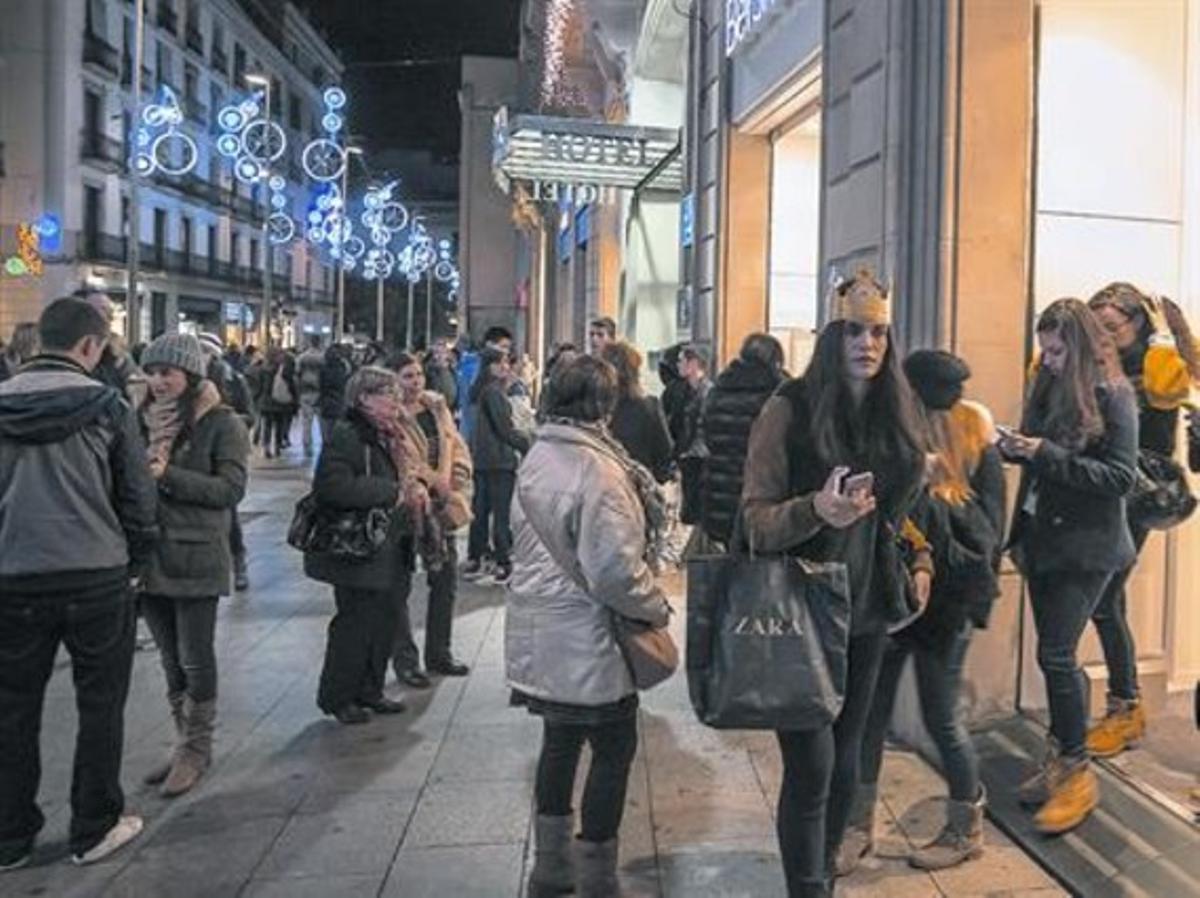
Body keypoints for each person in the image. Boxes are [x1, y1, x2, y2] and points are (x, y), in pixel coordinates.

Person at [741, 270, 929, 897]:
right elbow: (754, 522)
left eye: (878, 331)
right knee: (813, 765)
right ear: (832, 333)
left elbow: (904, 519)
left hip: (868, 611)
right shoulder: (788, 408)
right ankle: (809, 888)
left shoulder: (898, 409)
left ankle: (819, 873)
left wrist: (921, 558)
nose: (867, 343)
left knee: (847, 763)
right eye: (854, 329)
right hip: (798, 613)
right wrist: (815, 510)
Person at [507, 354, 672, 898]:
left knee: (559, 740)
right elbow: (614, 570)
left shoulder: (540, 453)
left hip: (541, 624)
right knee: (614, 745)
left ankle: (550, 872)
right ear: (605, 404)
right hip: (588, 633)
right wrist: (656, 606)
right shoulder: (600, 468)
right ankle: (598, 877)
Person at [0, 297, 157, 868]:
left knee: (12, 708)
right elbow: (137, 498)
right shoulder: (107, 406)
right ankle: (93, 827)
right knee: (100, 705)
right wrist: (138, 558)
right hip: (95, 574)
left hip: (13, 576)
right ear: (91, 346)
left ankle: (9, 837)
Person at [848, 350, 1006, 874]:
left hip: (941, 605)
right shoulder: (903, 439)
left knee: (936, 716)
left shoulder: (969, 441)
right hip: (899, 600)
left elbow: (988, 536)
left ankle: (965, 829)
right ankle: (855, 827)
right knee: (875, 714)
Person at [1001, 298, 1137, 835]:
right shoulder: (1051, 384)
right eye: (1044, 349)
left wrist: (1043, 454)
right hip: (1044, 541)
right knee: (1053, 656)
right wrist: (1011, 447)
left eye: (1057, 350)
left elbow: (1119, 478)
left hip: (1088, 547)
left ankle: (1076, 770)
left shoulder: (1116, 395)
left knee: (1055, 655)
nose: (1049, 359)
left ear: (1078, 346)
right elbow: (1043, 454)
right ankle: (1062, 759)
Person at [1084, 283, 1198, 758]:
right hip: (1095, 491)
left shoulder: (1157, 367)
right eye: (1097, 327)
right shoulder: (1091, 365)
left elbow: (1182, 379)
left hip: (1137, 497)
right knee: (1104, 600)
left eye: (1113, 326)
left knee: (1106, 598)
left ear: (1136, 324)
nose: (1105, 336)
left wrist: (1172, 336)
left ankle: (1125, 705)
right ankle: (1124, 705)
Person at [137, 334, 249, 797]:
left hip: (197, 551)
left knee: (195, 656)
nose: (160, 381)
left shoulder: (221, 423)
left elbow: (229, 491)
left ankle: (197, 749)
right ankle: (183, 740)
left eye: (169, 372)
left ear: (191, 375)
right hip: (149, 554)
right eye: (154, 371)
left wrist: (168, 477)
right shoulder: (138, 419)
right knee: (168, 657)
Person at [307, 366, 426, 725]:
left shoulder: (390, 433)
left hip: (391, 544)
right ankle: (338, 697)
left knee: (384, 620)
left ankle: (371, 690)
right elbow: (332, 486)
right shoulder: (348, 434)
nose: (395, 400)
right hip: (358, 549)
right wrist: (392, 492)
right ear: (364, 399)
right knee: (354, 624)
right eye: (386, 394)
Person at [390, 353, 474, 687]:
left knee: (446, 579)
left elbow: (456, 445)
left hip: (443, 504)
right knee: (399, 585)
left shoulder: (436, 408)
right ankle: (405, 661)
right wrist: (430, 480)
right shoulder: (392, 416)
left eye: (419, 375)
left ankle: (440, 652)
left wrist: (454, 479)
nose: (416, 382)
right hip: (409, 505)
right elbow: (403, 461)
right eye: (408, 376)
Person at [700, 332, 786, 546]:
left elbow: (707, 433)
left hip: (720, 490)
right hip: (761, 493)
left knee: (730, 559)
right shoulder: (779, 393)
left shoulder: (719, 389)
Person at [464, 347, 532, 585]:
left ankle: (476, 558)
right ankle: (503, 562)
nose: (506, 367)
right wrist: (527, 445)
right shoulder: (494, 392)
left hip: (483, 460)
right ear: (490, 366)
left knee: (480, 512)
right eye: (501, 363)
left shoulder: (481, 391)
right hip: (499, 461)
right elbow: (505, 429)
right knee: (501, 514)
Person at [197, 333, 256, 592]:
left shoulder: (234, 380)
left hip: (226, 451)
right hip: (197, 453)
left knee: (228, 511)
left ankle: (238, 560)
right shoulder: (189, 383)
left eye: (206, 352)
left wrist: (228, 426)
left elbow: (250, 415)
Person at [601, 341, 674, 483]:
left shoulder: (595, 408)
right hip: (637, 490)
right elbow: (664, 456)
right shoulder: (649, 407)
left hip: (600, 488)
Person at [73, 290, 147, 408]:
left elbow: (135, 386)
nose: (109, 316)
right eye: (102, 309)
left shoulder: (119, 353)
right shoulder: (69, 350)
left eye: (109, 311)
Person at [676, 345, 712, 525]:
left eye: (681, 360)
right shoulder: (687, 391)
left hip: (698, 458)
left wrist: (688, 451)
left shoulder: (706, 393)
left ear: (694, 364)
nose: (678, 365)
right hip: (691, 456)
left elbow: (702, 427)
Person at [259, 347, 296, 458]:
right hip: (279, 401)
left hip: (266, 401)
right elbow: (290, 384)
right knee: (279, 424)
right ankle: (277, 447)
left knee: (267, 425)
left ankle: (266, 447)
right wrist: (293, 398)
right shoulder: (283, 369)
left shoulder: (263, 368)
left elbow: (259, 385)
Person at [318, 342, 354, 445]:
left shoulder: (323, 368)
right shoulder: (344, 367)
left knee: (326, 432)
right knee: (337, 431)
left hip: (326, 403)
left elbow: (321, 386)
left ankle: (327, 447)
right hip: (339, 401)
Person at [297, 335, 326, 458]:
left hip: (305, 391)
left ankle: (307, 447)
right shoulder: (323, 357)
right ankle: (325, 446)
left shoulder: (302, 357)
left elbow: (297, 373)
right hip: (319, 392)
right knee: (322, 422)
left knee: (306, 422)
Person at [424, 337, 459, 411]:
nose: (440, 356)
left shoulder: (452, 370)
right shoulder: (427, 370)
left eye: (443, 352)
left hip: (449, 411)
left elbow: (456, 389)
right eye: (437, 352)